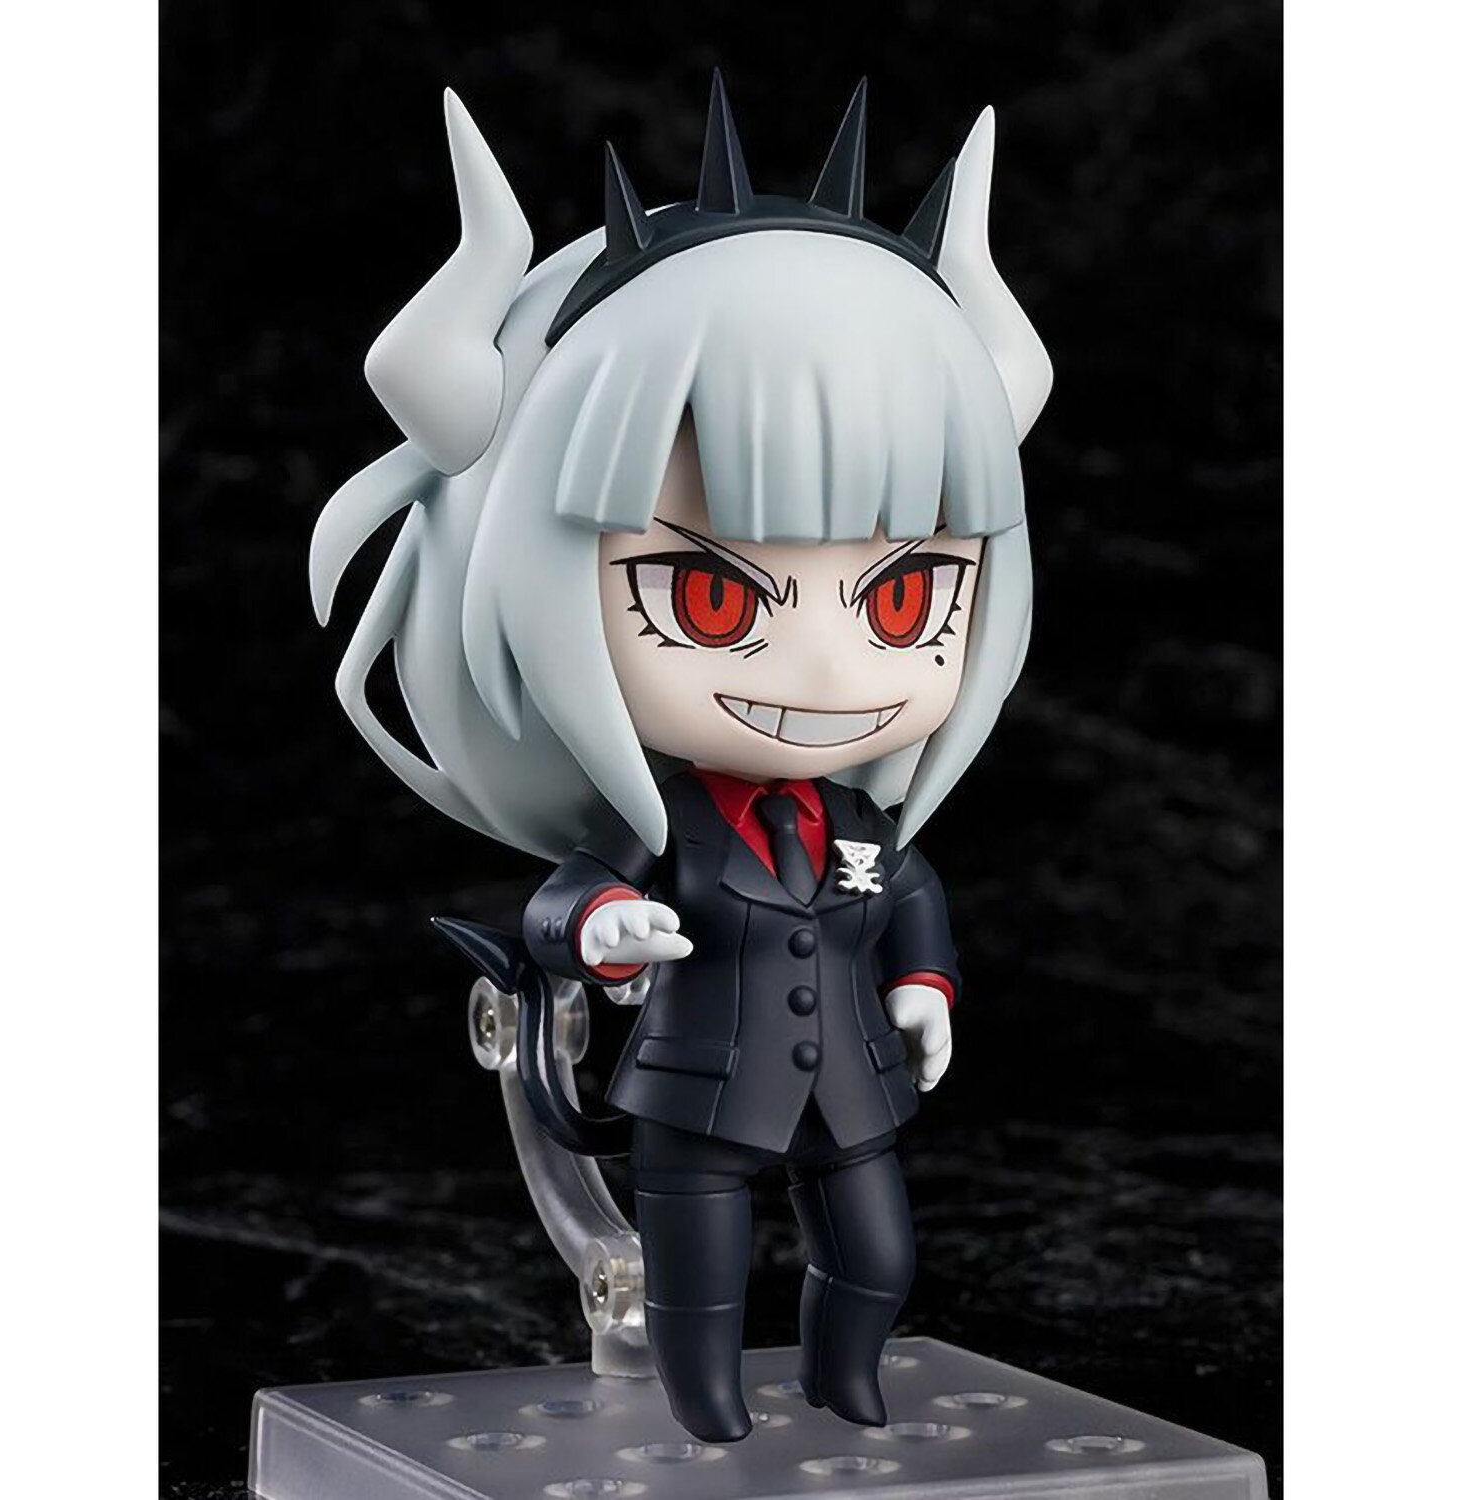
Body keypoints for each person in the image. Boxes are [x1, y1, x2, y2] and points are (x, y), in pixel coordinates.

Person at [311, 71, 1050, 1442]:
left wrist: (926, 985)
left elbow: (906, 893)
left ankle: (844, 1386)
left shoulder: (859, 826)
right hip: (698, 1094)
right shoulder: (668, 827)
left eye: (903, 602)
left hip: (852, 1089)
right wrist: (602, 926)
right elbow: (568, 899)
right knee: (698, 1290)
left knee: (878, 1261)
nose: (828, 674)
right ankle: (709, 1420)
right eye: (711, 599)